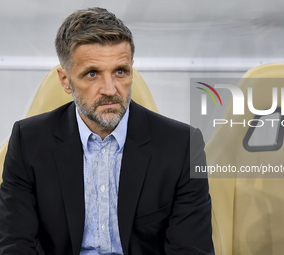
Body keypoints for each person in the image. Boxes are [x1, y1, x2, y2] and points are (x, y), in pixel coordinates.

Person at [0, 7, 214, 255]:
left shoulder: (182, 146)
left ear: (131, 70)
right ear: (65, 80)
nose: (110, 89)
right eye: (93, 74)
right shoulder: (28, 142)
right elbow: (15, 245)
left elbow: (191, 249)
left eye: (120, 72)